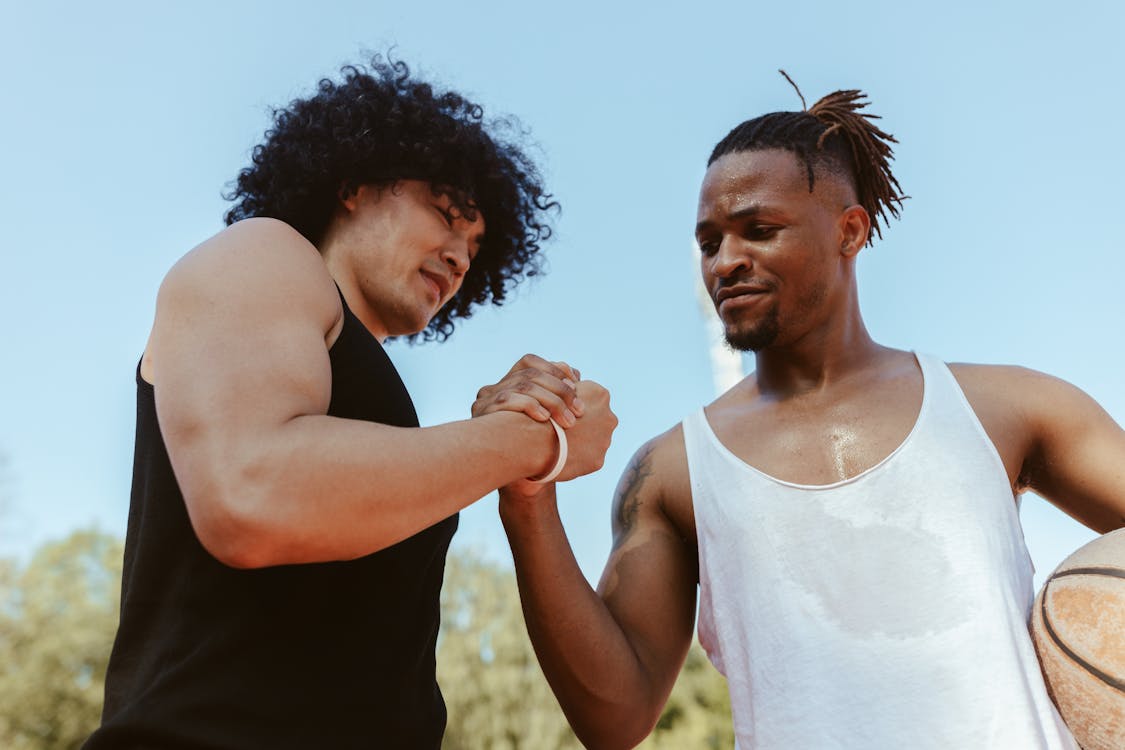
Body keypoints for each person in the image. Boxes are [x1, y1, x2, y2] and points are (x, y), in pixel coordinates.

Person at [489, 79, 1125, 749]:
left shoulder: (1012, 409)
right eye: (708, 243)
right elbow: (612, 721)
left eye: (758, 230)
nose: (726, 261)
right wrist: (526, 499)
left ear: (850, 231)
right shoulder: (671, 471)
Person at [83, 57, 616, 750]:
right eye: (447, 214)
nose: (460, 256)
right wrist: (535, 441)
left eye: (476, 248)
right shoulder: (264, 253)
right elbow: (253, 494)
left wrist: (503, 442)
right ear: (353, 184)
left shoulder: (364, 379)